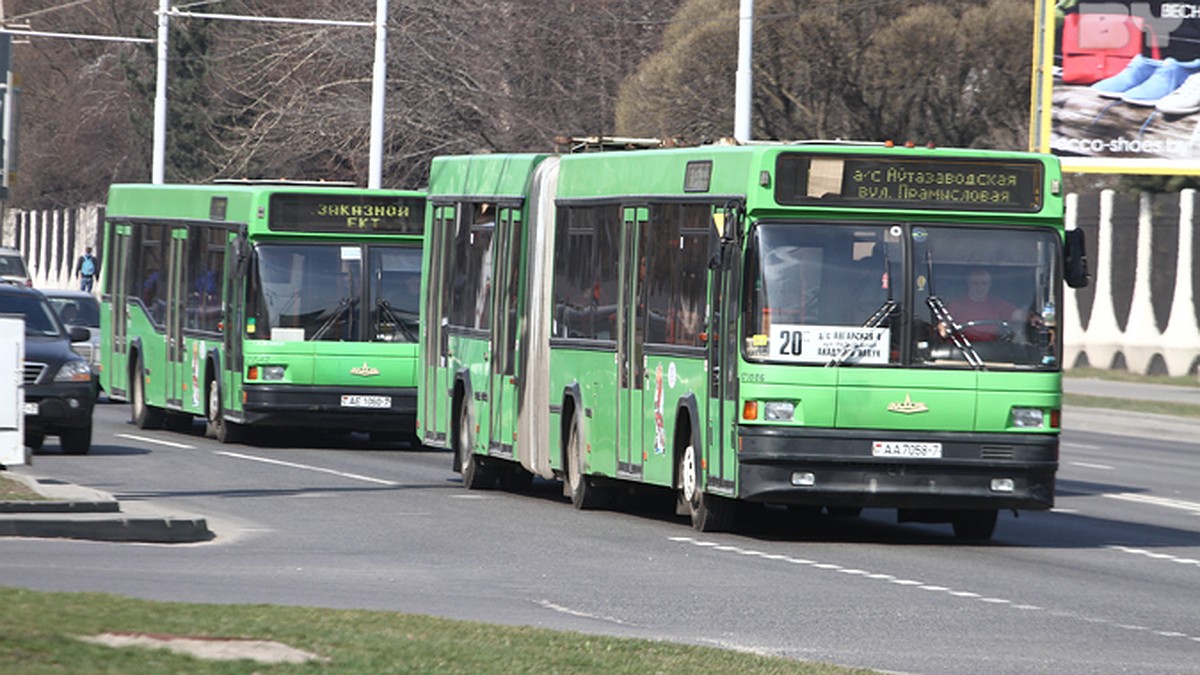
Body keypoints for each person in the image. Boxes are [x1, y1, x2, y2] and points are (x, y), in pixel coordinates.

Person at [943, 268, 1028, 342]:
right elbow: (944, 325)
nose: (979, 287)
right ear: (969, 284)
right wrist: (943, 329)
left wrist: (1033, 318)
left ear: (989, 285)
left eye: (984, 283)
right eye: (975, 283)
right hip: (961, 353)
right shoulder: (956, 305)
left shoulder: (997, 304)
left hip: (992, 353)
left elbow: (1018, 315)